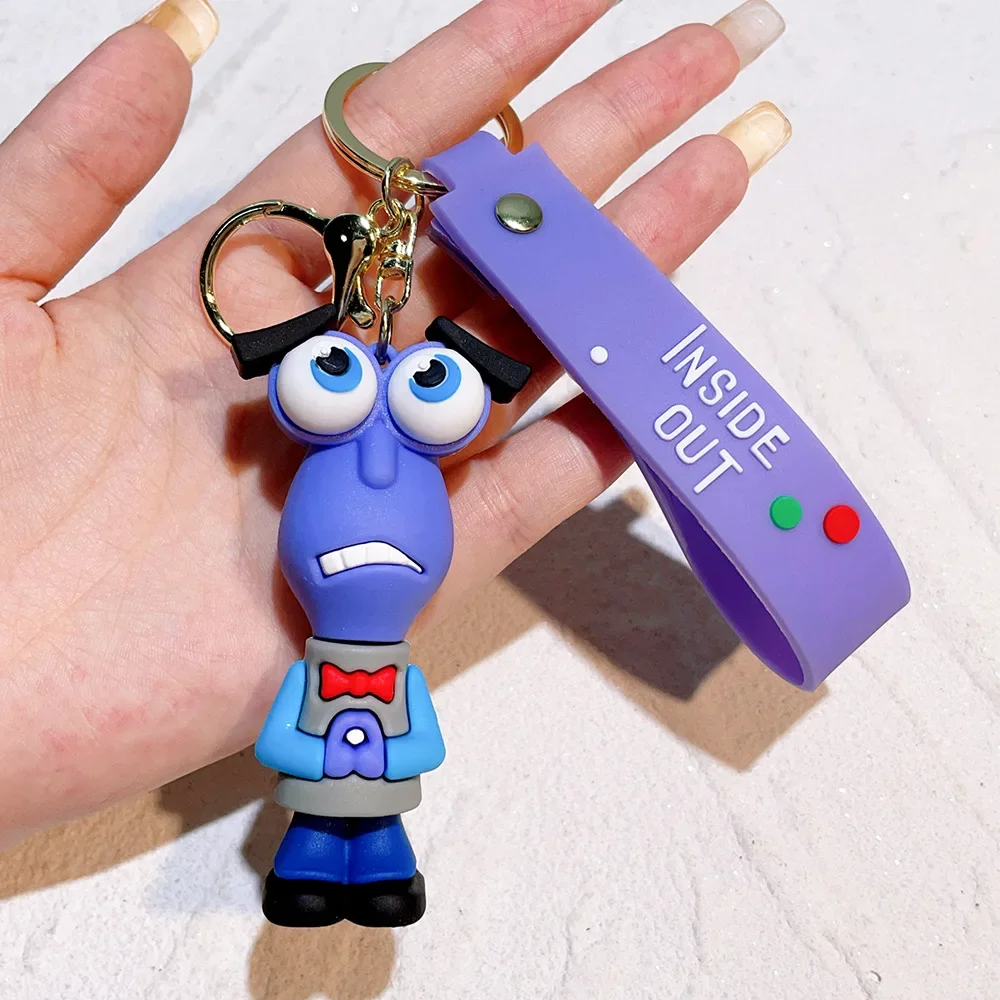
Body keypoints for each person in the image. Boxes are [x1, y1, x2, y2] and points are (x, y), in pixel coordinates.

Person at [0, 0, 788, 849]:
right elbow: (329, 743)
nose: (378, 466)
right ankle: (322, 864)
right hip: (325, 747)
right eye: (330, 387)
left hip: (373, 756)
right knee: (325, 840)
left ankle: (374, 866)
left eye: (430, 397)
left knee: (378, 842)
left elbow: (404, 745)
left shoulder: (383, 641)